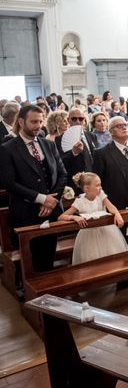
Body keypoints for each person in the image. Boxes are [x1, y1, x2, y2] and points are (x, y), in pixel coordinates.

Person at [0, 105, 67, 272]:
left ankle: (48, 292)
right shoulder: (8, 148)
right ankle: (35, 293)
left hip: (52, 210)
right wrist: (42, 199)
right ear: (21, 122)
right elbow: (9, 183)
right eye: (34, 122)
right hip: (26, 212)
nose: (38, 125)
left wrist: (52, 201)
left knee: (49, 256)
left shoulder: (48, 145)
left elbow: (62, 174)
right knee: (32, 260)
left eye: (40, 121)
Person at [93, 116, 128, 248]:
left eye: (125, 125)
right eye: (119, 126)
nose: (124, 127)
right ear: (111, 131)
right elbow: (98, 181)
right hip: (116, 203)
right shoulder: (101, 153)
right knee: (119, 239)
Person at [58, 172, 128, 264]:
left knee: (112, 259)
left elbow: (111, 207)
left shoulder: (101, 196)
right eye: (98, 185)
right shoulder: (79, 202)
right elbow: (61, 217)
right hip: (88, 235)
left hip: (106, 231)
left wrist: (117, 214)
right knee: (92, 259)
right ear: (87, 188)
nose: (101, 187)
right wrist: (74, 217)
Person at [56, 108, 98, 193]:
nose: (78, 121)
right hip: (75, 184)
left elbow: (95, 158)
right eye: (74, 119)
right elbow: (59, 163)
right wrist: (73, 153)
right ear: (68, 120)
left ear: (84, 120)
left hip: (93, 180)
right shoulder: (59, 139)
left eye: (81, 119)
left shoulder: (91, 136)